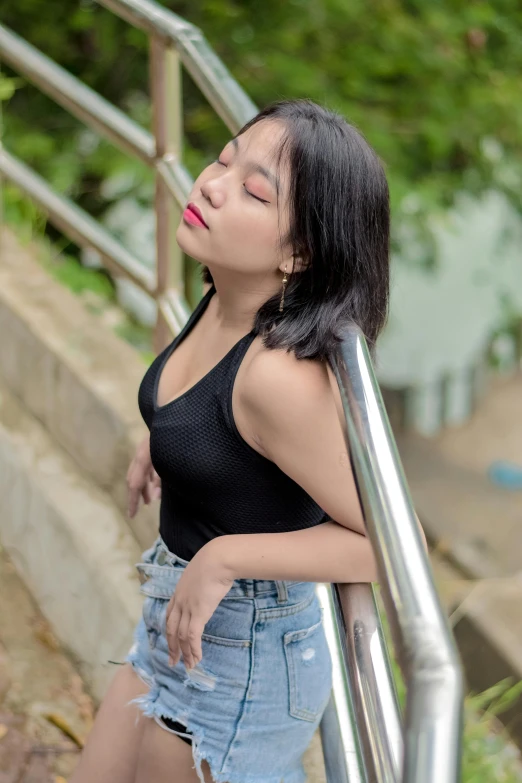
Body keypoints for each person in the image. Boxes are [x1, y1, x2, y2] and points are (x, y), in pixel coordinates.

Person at [70, 98, 390, 783]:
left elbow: (387, 546)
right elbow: (211, 417)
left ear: (299, 252)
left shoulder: (279, 378)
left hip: (241, 655)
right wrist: (166, 439)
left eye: (252, 190)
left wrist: (222, 557)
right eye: (222, 159)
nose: (210, 184)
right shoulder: (224, 290)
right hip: (175, 618)